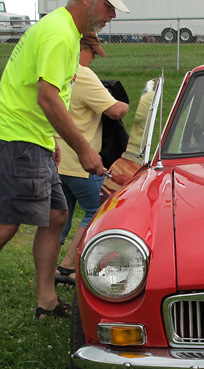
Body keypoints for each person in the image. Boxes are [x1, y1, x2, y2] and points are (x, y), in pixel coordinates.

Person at [0, 0, 130, 319]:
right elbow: (47, 96)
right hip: (19, 137)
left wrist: (52, 139)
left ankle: (46, 302)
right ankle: (45, 301)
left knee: (57, 215)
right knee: (7, 224)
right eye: (108, 6)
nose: (112, 16)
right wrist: (84, 149)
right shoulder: (59, 34)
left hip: (36, 138)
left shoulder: (68, 32)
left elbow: (43, 91)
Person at [54, 32, 129, 286]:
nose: (93, 59)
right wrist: (126, 104)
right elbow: (115, 111)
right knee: (98, 211)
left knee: (59, 216)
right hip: (81, 163)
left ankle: (49, 268)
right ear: (82, 48)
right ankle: (67, 266)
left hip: (57, 159)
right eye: (93, 53)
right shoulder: (83, 75)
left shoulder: (56, 72)